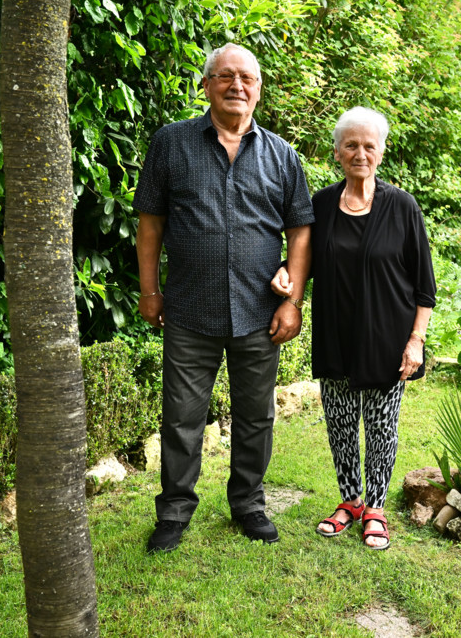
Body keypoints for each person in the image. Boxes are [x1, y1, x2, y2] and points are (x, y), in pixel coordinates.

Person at [134, 43, 314, 553]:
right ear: (207, 85)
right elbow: (151, 222)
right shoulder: (171, 143)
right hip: (189, 309)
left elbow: (300, 231)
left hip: (261, 314)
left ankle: (248, 504)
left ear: (258, 90)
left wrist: (292, 298)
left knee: (256, 415)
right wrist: (150, 290)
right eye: (226, 77)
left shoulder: (282, 155)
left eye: (247, 79)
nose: (238, 86)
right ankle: (173, 513)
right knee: (182, 415)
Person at [271, 106, 435, 550]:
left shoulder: (402, 207)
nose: (360, 153)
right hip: (336, 335)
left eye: (369, 145)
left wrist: (415, 341)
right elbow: (302, 260)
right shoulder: (320, 205)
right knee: (341, 425)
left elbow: (425, 287)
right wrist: (286, 275)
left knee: (382, 427)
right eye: (351, 145)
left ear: (381, 152)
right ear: (338, 153)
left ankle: (376, 508)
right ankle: (350, 502)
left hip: (387, 341)